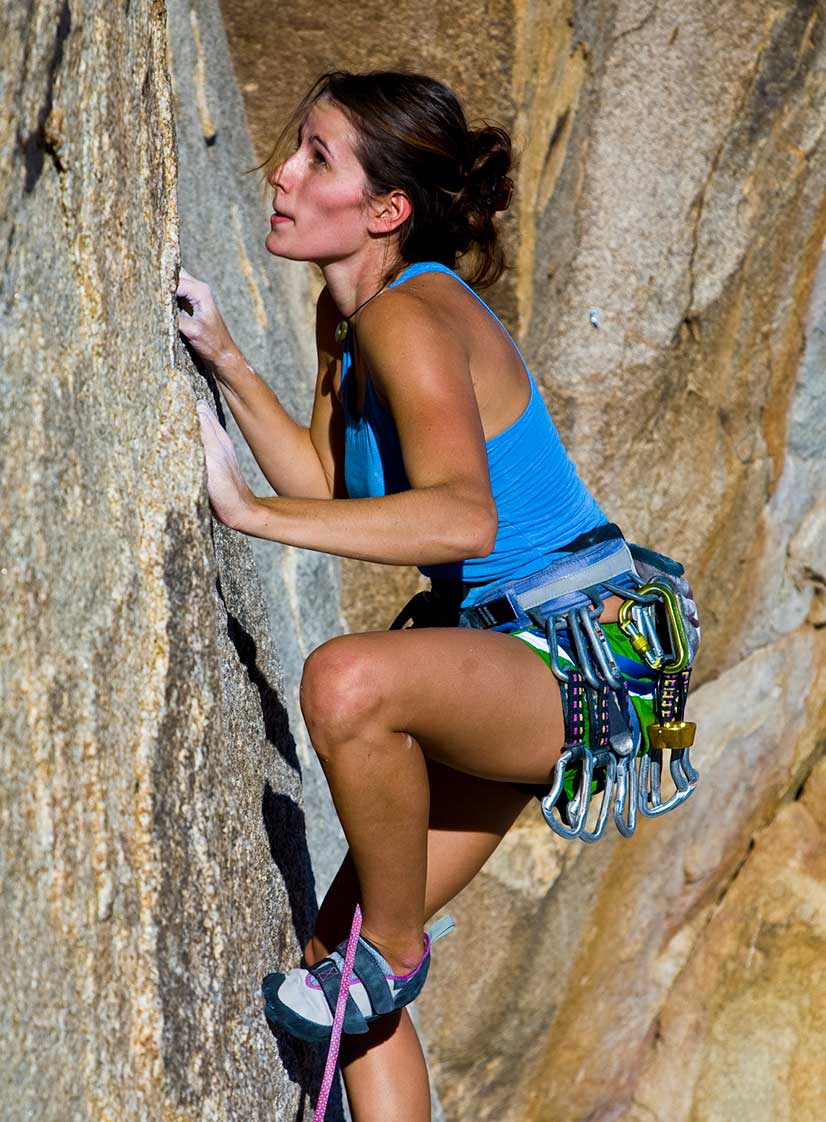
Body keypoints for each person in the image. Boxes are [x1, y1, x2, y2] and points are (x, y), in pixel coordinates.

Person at [176, 70, 693, 1122]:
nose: (281, 170)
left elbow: (462, 520)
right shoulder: (348, 316)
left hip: (576, 651)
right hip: (520, 653)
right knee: (337, 967)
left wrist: (249, 517)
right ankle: (377, 966)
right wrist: (225, 357)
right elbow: (327, 486)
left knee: (349, 682)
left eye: (316, 157)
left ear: (385, 211)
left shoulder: (409, 318)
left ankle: (396, 950)